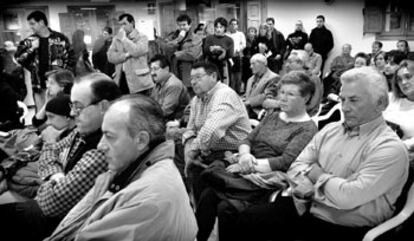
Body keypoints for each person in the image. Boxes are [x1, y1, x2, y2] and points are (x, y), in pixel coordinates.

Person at [228, 66, 409, 241]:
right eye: (342, 99)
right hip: (303, 208)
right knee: (244, 220)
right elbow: (295, 168)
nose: (344, 108)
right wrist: (324, 185)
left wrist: (317, 174)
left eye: (353, 100)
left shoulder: (389, 148)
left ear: (381, 103)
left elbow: (347, 197)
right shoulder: (330, 130)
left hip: (343, 226)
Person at [45, 95, 197, 241]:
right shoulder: (133, 169)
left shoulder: (147, 201)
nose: (100, 146)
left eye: (109, 136)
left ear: (141, 140)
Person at [195, 71, 318, 241]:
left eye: (290, 94)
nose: (282, 98)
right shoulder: (273, 116)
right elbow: (248, 139)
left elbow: (285, 161)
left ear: (306, 98)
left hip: (268, 179)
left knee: (225, 207)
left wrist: (248, 165)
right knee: (207, 192)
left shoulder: (307, 128)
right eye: (281, 92)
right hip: (247, 167)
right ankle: (198, 237)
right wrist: (245, 155)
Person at [0, 72, 122, 241]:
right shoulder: (85, 130)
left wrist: (48, 169)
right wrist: (57, 175)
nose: (72, 113)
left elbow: (50, 203)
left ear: (103, 106)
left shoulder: (103, 147)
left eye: (78, 107)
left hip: (57, 222)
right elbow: (51, 146)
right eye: (72, 106)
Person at [184, 62, 251, 203]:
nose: (193, 82)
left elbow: (211, 131)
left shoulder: (224, 95)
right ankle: (189, 207)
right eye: (191, 78)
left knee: (198, 176)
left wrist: (191, 153)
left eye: (198, 77)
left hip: (231, 153)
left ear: (213, 76)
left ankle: (198, 216)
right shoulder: (197, 99)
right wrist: (189, 148)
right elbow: (190, 129)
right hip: (207, 151)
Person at [15, 10, 75, 111]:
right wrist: (31, 48)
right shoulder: (29, 41)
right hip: (39, 85)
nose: (31, 27)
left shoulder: (60, 38)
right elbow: (18, 59)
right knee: (42, 114)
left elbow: (72, 57)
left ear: (42, 22)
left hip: (58, 84)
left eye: (33, 24)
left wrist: (64, 74)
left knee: (60, 111)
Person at [108, 13, 154, 95]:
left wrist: (124, 39)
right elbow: (110, 57)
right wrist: (125, 55)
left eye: (124, 24)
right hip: (121, 78)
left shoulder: (142, 37)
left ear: (132, 23)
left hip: (139, 80)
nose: (122, 27)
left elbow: (137, 51)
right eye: (120, 25)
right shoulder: (116, 39)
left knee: (140, 105)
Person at [383, 60, 414, 158]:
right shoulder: (391, 98)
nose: (403, 82)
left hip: (400, 155)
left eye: (408, 77)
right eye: (399, 79)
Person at [165, 14, 202, 93]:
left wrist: (176, 54)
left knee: (190, 97)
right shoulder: (172, 37)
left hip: (189, 73)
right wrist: (177, 40)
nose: (182, 27)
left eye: (184, 25)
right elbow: (166, 49)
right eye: (179, 25)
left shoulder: (196, 38)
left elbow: (193, 54)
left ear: (189, 25)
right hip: (174, 73)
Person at [149, 54, 190, 121]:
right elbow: (151, 103)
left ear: (166, 69)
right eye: (151, 69)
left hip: (175, 122)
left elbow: (165, 111)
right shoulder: (158, 83)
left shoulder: (173, 85)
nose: (152, 73)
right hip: (162, 118)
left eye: (155, 69)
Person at [244, 53, 279, 118]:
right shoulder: (250, 79)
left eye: (253, 64)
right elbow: (246, 96)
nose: (250, 67)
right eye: (250, 64)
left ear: (263, 64)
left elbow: (267, 96)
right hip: (246, 113)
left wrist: (248, 102)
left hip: (261, 114)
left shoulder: (274, 78)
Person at [203, 17, 234, 84]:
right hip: (211, 64)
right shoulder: (209, 38)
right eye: (216, 27)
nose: (218, 29)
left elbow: (230, 54)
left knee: (224, 84)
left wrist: (221, 49)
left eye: (221, 27)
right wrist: (213, 49)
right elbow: (206, 50)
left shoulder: (229, 40)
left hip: (224, 65)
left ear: (225, 28)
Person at [227, 18, 246, 94]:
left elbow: (243, 44)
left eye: (235, 24)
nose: (233, 26)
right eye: (232, 24)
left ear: (237, 26)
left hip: (238, 56)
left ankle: (238, 91)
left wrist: (238, 50)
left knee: (238, 75)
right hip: (230, 57)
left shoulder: (240, 34)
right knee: (231, 75)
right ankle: (231, 91)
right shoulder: (227, 35)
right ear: (229, 26)